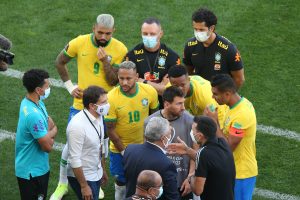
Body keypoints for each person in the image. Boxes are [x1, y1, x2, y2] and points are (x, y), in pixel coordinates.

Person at [51, 14, 127, 200]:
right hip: (80, 105)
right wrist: (70, 86)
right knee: (70, 147)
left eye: (107, 34)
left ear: (113, 31)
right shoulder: (79, 42)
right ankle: (62, 183)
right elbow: (59, 61)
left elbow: (113, 80)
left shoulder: (120, 49)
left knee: (100, 144)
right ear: (94, 28)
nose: (103, 37)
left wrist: (105, 61)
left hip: (104, 107)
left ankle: (96, 179)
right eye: (100, 32)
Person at [105, 61, 159, 200]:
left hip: (143, 145)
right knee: (121, 181)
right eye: (121, 78)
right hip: (119, 149)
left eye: (128, 78)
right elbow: (110, 130)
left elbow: (155, 118)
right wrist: (124, 151)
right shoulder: (111, 97)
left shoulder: (149, 91)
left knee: (144, 180)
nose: (124, 82)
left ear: (136, 76)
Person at [204, 74, 257, 200]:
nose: (212, 97)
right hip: (231, 169)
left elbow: (228, 148)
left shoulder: (242, 114)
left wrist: (214, 122)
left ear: (227, 94)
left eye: (215, 94)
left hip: (242, 173)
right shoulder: (232, 107)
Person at [144, 86, 197, 199]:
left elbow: (195, 151)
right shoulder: (150, 122)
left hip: (183, 183)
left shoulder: (191, 121)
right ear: (167, 104)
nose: (183, 107)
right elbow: (147, 151)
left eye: (183, 103)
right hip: (158, 184)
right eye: (179, 104)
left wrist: (190, 178)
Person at [167, 116, 236, 200]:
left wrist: (191, 177)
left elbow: (197, 190)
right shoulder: (223, 143)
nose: (191, 132)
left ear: (199, 136)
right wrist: (187, 150)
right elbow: (209, 161)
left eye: (192, 130)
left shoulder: (203, 153)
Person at [15, 69, 58, 200]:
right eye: (47, 86)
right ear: (39, 90)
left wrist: (49, 133)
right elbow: (48, 147)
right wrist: (53, 132)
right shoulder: (33, 114)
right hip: (32, 172)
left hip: (35, 167)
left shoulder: (33, 103)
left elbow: (51, 124)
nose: (49, 88)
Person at [183, 8, 244, 89]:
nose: (197, 33)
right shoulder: (190, 45)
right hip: (200, 93)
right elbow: (188, 72)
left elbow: (239, 79)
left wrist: (227, 96)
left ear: (211, 28)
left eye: (201, 30)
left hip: (220, 95)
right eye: (195, 29)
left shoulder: (228, 49)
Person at [125, 17, 181, 107]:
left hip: (164, 107)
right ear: (141, 33)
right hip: (139, 106)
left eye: (152, 34)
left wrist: (143, 82)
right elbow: (127, 86)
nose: (148, 37)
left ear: (161, 34)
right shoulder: (132, 56)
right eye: (145, 34)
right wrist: (160, 86)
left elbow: (171, 92)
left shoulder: (172, 57)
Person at [66, 86, 109, 200]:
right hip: (84, 176)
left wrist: (102, 170)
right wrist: (84, 186)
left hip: (95, 171)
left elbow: (100, 146)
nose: (107, 105)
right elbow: (74, 160)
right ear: (92, 106)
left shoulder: (99, 116)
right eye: (103, 102)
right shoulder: (77, 126)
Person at [123, 117, 180, 200]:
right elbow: (172, 196)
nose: (171, 135)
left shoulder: (130, 149)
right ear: (163, 138)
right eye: (169, 133)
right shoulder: (166, 164)